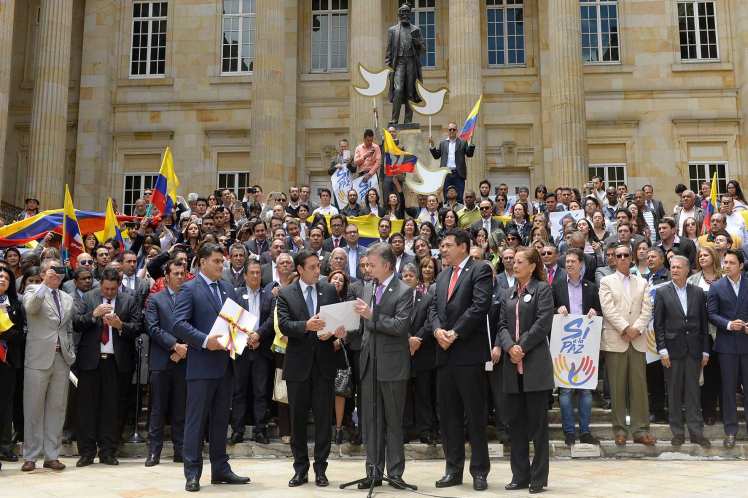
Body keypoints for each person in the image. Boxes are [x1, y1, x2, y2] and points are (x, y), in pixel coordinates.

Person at [172, 243, 250, 492]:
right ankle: (192, 472)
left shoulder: (228, 287)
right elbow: (178, 324)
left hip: (226, 365)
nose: (221, 265)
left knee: (220, 420)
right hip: (201, 366)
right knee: (196, 421)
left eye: (222, 261)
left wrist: (245, 333)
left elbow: (239, 318)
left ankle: (221, 468)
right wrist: (206, 341)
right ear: (202, 262)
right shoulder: (189, 288)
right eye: (216, 261)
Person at [429, 229, 492, 491]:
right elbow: (433, 307)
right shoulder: (442, 275)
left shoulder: (480, 270)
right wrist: (436, 331)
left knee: (474, 415)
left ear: (463, 247)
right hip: (444, 355)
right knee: (449, 416)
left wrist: (455, 333)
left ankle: (479, 471)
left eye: (447, 245)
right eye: (441, 246)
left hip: (468, 353)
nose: (442, 250)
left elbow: (480, 306)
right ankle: (452, 469)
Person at [276, 250, 345, 488]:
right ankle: (300, 469)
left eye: (319, 266)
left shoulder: (328, 290)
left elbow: (338, 321)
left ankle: (321, 469)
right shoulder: (285, 293)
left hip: (324, 365)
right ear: (300, 270)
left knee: (324, 420)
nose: (318, 270)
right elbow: (284, 325)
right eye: (313, 267)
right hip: (298, 367)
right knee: (297, 420)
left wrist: (338, 331)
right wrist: (306, 325)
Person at [348, 243, 412, 489]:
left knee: (393, 421)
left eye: (372, 265)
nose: (368, 269)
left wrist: (371, 316)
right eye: (366, 265)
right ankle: (373, 471)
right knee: (371, 421)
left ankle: (395, 473)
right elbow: (362, 326)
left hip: (393, 365)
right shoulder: (367, 287)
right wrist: (346, 328)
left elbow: (399, 326)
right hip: (369, 363)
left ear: (386, 265)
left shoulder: (404, 290)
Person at [496, 247, 554, 494]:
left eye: (520, 261)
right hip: (512, 365)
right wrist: (510, 346)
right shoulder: (508, 293)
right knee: (515, 425)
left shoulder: (542, 290)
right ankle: (520, 475)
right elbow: (501, 325)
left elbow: (543, 322)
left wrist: (522, 346)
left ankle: (538, 478)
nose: (515, 265)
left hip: (535, 365)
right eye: (513, 261)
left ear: (532, 266)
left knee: (537, 426)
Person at [74, 268, 142, 467]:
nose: (109, 293)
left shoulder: (128, 301)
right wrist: (93, 315)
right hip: (90, 361)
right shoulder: (88, 298)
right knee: (86, 408)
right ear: (100, 284)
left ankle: (108, 452)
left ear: (119, 286)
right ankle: (86, 452)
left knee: (112, 409)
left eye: (113, 289)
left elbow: (139, 327)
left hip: (116, 362)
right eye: (106, 288)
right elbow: (76, 323)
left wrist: (121, 325)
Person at [20, 259, 75, 472]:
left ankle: (52, 454)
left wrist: (70, 351)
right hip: (38, 358)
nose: (56, 274)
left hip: (62, 359)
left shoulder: (67, 297)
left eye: (59, 271)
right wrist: (44, 282)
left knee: (57, 407)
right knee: (33, 407)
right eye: (52, 270)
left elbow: (67, 328)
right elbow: (31, 308)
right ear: (43, 272)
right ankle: (31, 455)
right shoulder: (33, 289)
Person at [598, 243, 656, 447]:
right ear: (613, 258)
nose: (622, 258)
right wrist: (625, 328)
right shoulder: (606, 281)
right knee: (617, 387)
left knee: (639, 387)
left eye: (625, 255)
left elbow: (648, 309)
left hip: (638, 340)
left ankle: (641, 430)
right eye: (618, 255)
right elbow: (608, 309)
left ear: (631, 258)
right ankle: (620, 430)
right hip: (617, 339)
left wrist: (636, 329)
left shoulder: (642, 282)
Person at [653, 255, 711, 448]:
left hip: (694, 350)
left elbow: (704, 325)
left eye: (679, 267)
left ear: (688, 270)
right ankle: (677, 432)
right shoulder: (662, 292)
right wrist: (662, 349)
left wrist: (705, 351)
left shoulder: (698, 292)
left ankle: (696, 433)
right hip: (672, 350)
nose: (675, 270)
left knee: (694, 393)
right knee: (674, 392)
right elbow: (658, 324)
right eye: (673, 267)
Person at [551, 248, 602, 447]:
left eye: (573, 261)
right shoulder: (556, 286)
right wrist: (557, 309)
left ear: (581, 263)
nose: (569, 264)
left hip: (585, 345)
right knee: (565, 391)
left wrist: (594, 311)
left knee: (586, 391)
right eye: (567, 261)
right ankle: (569, 432)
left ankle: (585, 431)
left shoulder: (590, 286)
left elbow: (598, 311)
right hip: (565, 345)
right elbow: (549, 310)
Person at [144, 260, 188, 467]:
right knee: (158, 409)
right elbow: (153, 328)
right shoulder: (155, 299)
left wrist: (183, 349)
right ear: (167, 276)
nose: (180, 276)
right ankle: (154, 452)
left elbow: (196, 325)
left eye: (183, 273)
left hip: (185, 360)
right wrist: (174, 346)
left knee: (181, 408)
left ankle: (180, 450)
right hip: (162, 361)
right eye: (176, 273)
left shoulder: (191, 298)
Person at [706, 249, 748, 449]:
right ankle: (730, 431)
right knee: (729, 390)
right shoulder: (717, 287)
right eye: (726, 262)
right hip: (726, 346)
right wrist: (730, 324)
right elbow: (712, 314)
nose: (727, 265)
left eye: (732, 262)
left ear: (741, 265)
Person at [230, 259, 275, 445]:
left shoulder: (268, 295)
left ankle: (260, 430)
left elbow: (272, 320)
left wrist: (258, 336)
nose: (256, 276)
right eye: (252, 273)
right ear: (245, 275)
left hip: (261, 349)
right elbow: (231, 319)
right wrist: (247, 337)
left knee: (260, 391)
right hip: (241, 349)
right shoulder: (236, 294)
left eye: (258, 272)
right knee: (239, 391)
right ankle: (237, 430)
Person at [400, 263, 438, 445]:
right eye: (404, 276)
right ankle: (405, 430)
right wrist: (408, 339)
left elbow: (431, 322)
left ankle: (425, 430)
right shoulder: (396, 300)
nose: (407, 279)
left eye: (410, 276)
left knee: (424, 394)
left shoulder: (428, 298)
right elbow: (395, 321)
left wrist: (417, 339)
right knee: (404, 394)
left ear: (417, 280)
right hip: (402, 351)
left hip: (423, 351)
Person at [688, 246, 722, 425]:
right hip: (701, 334)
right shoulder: (693, 280)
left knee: (721, 374)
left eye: (706, 254)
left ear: (714, 257)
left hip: (723, 333)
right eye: (700, 255)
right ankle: (707, 411)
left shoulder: (724, 278)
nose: (702, 258)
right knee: (705, 374)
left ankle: (722, 410)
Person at [429, 122, 476, 202]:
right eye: (450, 129)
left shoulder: (462, 142)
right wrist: (432, 146)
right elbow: (436, 156)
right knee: (447, 197)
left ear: (456, 131)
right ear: (448, 131)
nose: (452, 131)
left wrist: (470, 143)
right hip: (446, 174)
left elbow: (469, 154)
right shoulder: (443, 144)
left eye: (454, 129)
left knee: (459, 198)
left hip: (458, 174)